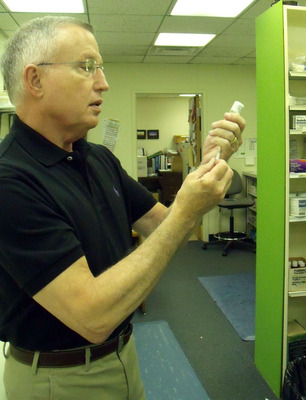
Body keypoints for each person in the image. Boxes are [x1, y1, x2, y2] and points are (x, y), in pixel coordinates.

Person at [0, 16, 245, 400]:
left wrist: (208, 166)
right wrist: (186, 209)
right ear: (35, 80)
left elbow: (166, 228)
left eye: (100, 67)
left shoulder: (98, 159)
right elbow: (92, 316)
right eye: (87, 66)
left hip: (123, 355)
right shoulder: (10, 180)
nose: (103, 82)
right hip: (57, 378)